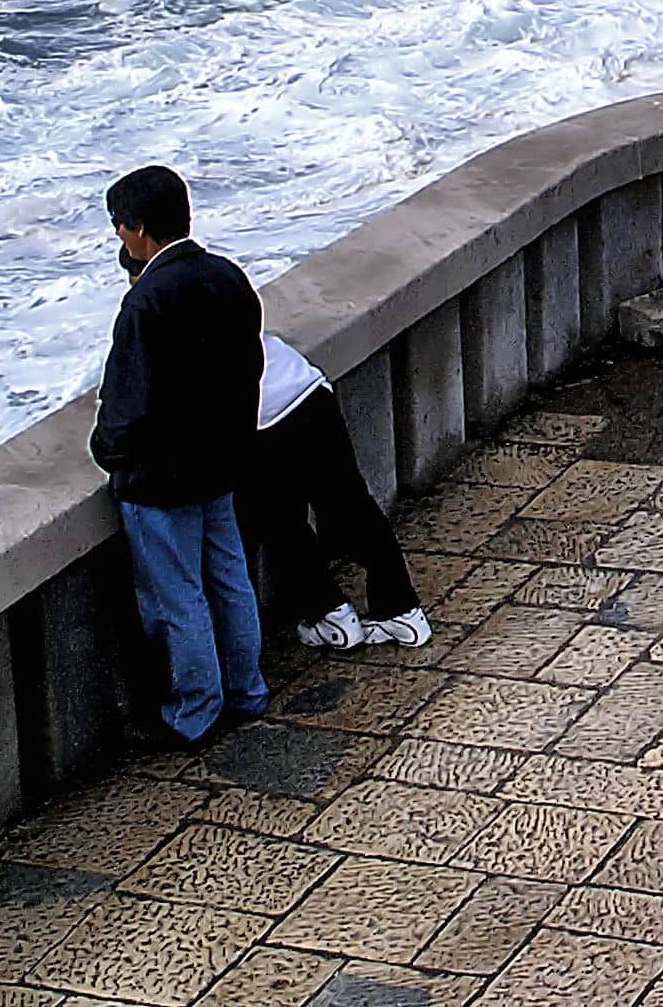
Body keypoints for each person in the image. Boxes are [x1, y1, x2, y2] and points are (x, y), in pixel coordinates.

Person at [94, 165, 268, 744]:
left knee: (177, 598)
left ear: (138, 230)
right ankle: (247, 690)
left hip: (160, 477)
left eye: (120, 227)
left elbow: (129, 403)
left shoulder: (147, 302)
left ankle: (192, 714)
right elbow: (249, 369)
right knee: (229, 579)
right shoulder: (227, 276)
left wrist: (109, 451)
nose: (120, 238)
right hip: (221, 462)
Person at [238, 332, 431, 650]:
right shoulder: (227, 282)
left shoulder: (153, 307)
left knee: (280, 523)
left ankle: (330, 614)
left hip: (259, 421)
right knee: (351, 504)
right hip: (305, 391)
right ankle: (401, 609)